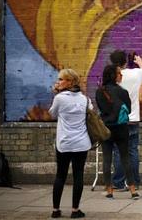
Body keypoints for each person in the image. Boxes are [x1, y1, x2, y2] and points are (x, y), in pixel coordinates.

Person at [49, 69, 90, 219]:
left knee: (61, 175)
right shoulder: (85, 99)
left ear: (70, 82)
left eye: (61, 79)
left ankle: (56, 210)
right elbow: (90, 114)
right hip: (81, 143)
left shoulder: (59, 98)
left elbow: (52, 114)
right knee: (78, 176)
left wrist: (55, 94)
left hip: (64, 143)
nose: (58, 82)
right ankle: (75, 210)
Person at [95, 64, 139, 200]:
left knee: (107, 159)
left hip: (106, 128)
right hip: (121, 128)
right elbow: (129, 110)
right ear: (113, 75)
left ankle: (109, 190)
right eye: (119, 73)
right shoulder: (123, 92)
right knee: (125, 158)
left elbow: (101, 109)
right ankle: (133, 190)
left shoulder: (100, 92)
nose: (121, 75)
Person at [109, 50, 142, 190]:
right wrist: (139, 62)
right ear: (125, 61)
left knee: (119, 151)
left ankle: (118, 182)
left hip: (119, 120)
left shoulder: (112, 77)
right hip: (134, 118)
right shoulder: (135, 74)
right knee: (132, 151)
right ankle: (135, 182)